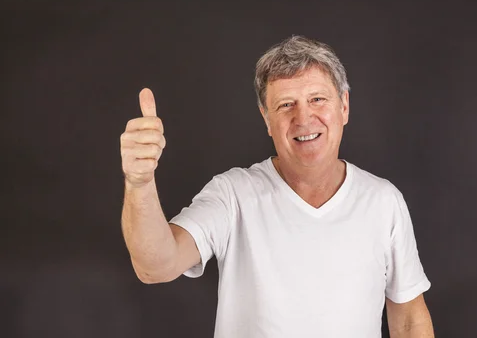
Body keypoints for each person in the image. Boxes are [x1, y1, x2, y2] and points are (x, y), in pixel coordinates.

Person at [120, 35, 434, 337]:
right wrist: (139, 182)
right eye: (286, 105)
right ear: (267, 119)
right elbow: (155, 266)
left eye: (317, 99)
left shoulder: (383, 201)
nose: (304, 117)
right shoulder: (233, 195)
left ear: (344, 106)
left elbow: (408, 320)